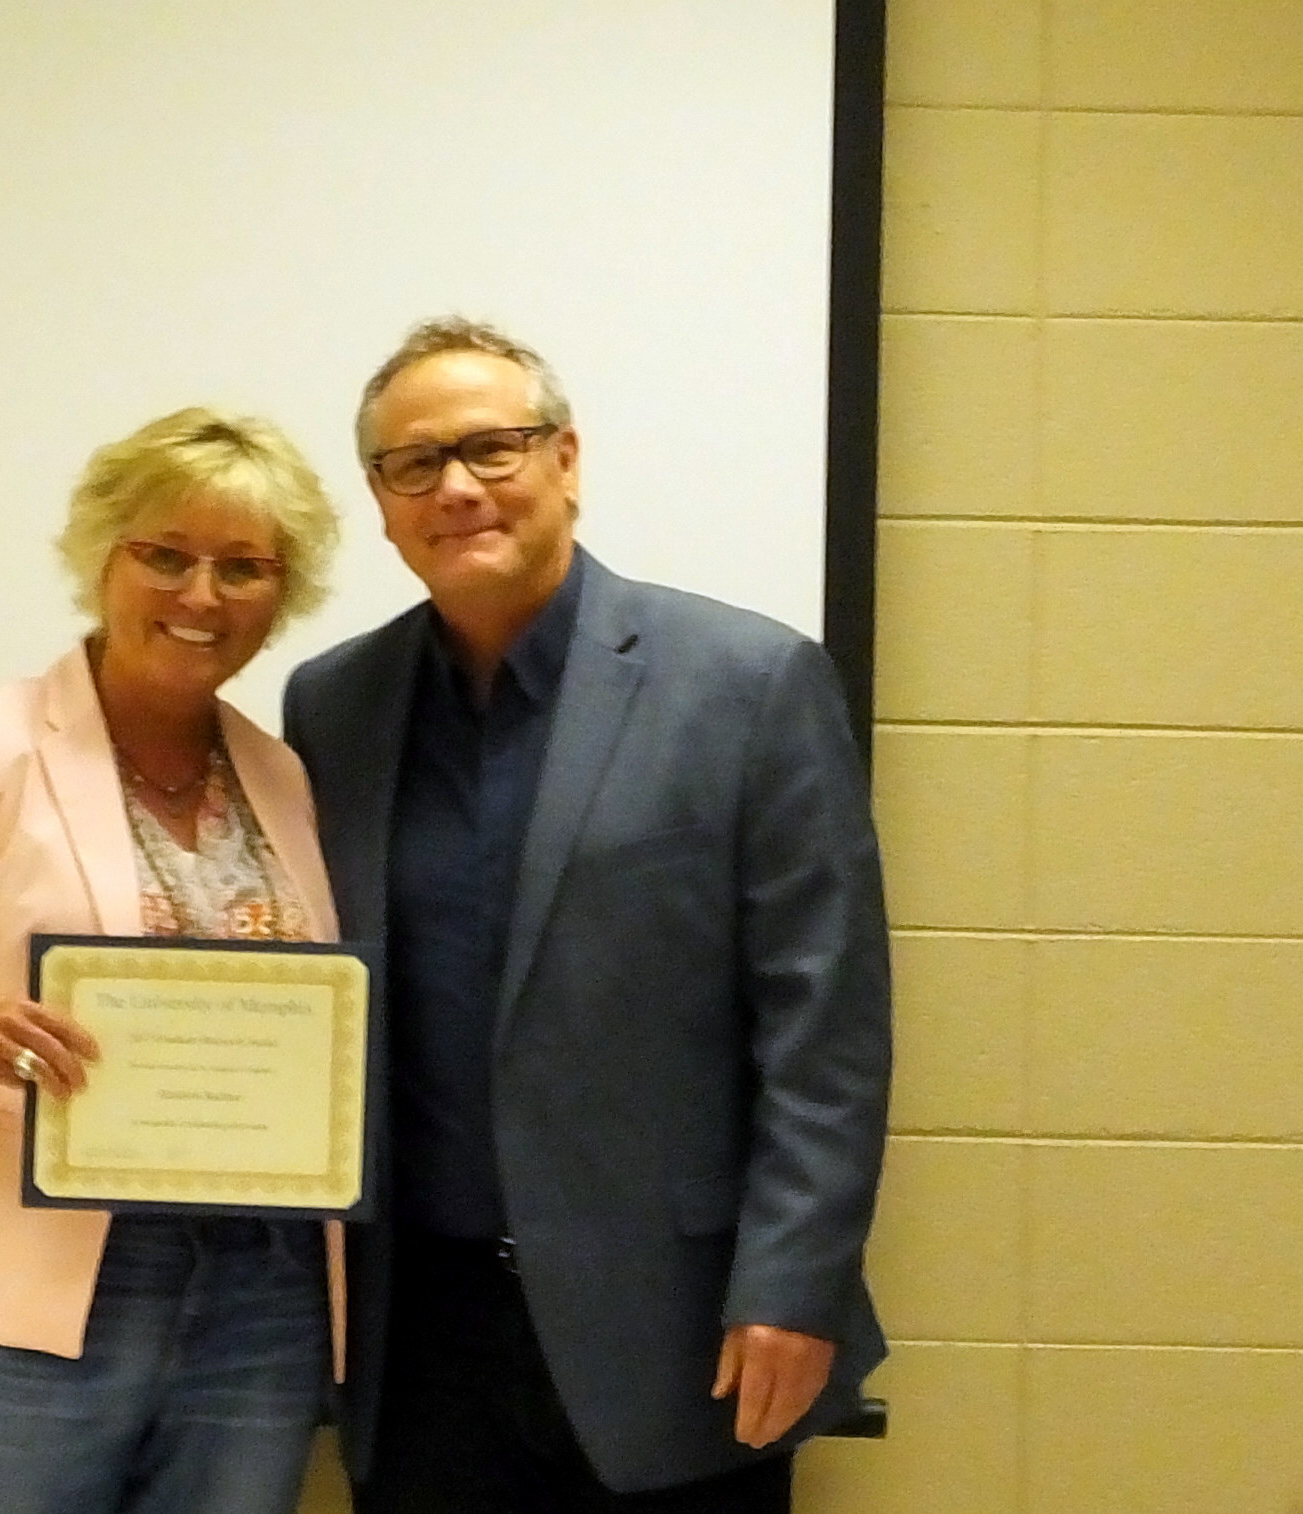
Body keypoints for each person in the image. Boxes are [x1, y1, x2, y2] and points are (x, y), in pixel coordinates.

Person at [282, 319, 891, 1513]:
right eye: (415, 463)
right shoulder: (334, 704)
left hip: (676, 1329)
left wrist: (793, 1280)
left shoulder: (748, 682)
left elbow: (826, 1025)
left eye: (491, 447)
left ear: (565, 459)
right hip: (423, 1344)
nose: (457, 486)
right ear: (383, 503)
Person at [0, 406, 343, 1514]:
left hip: (261, 1290)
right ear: (101, 559)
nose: (200, 594)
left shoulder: (284, 775)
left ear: (282, 593)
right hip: (49, 1280)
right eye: (164, 555)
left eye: (243, 567)